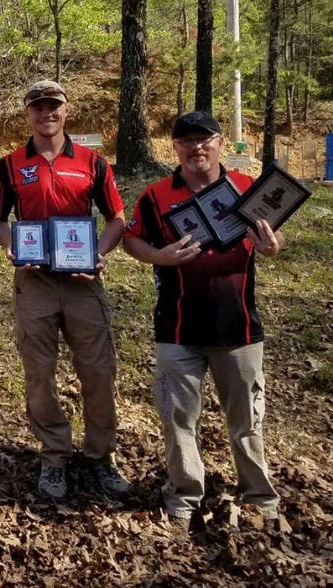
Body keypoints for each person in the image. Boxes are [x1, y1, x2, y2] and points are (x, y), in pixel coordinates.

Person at [122, 111, 284, 528]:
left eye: (205, 139)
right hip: (178, 329)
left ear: (220, 143)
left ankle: (259, 495)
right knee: (178, 421)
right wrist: (158, 256)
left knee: (247, 420)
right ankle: (184, 495)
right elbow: (131, 238)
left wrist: (270, 246)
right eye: (187, 141)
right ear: (175, 148)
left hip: (240, 327)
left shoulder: (247, 188)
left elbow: (276, 238)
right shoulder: (156, 196)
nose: (197, 148)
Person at [0, 80, 130, 501]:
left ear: (66, 110)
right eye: (38, 107)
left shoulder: (93, 162)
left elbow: (117, 219)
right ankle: (54, 456)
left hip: (83, 282)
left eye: (53, 106)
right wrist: (11, 246)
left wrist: (99, 254)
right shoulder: (10, 165)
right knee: (39, 374)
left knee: (99, 372)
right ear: (27, 113)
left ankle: (101, 457)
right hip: (35, 283)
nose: (46, 113)